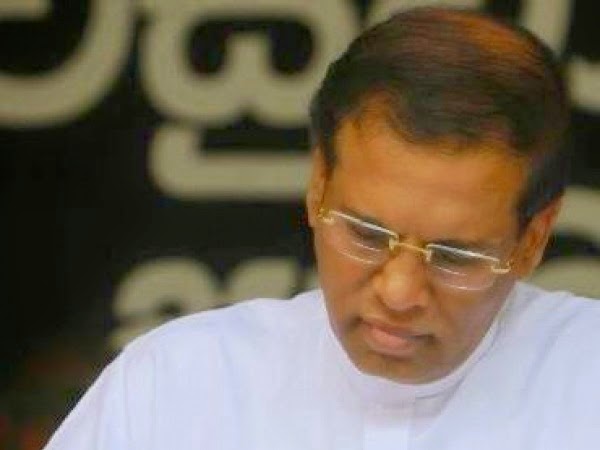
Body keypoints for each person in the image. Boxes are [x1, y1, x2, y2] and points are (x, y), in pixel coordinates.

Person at [44, 6, 600, 450]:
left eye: (454, 257)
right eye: (366, 234)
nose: (399, 292)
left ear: (532, 240)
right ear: (317, 189)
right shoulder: (174, 386)